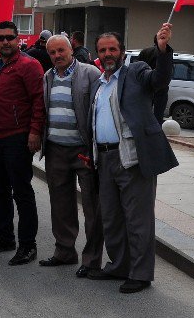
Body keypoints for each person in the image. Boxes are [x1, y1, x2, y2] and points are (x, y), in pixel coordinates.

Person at [84, 25, 178, 294]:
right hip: (104, 159)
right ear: (97, 55)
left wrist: (162, 49)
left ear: (122, 52)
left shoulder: (135, 72)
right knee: (111, 219)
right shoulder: (99, 84)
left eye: (112, 49)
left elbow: (159, 80)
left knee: (138, 220)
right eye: (102, 50)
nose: (108, 54)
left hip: (132, 158)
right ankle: (119, 266)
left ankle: (140, 273)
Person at [0, 21, 46, 265]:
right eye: (1, 38)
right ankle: (5, 237)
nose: (5, 42)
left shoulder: (29, 65)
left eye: (9, 38)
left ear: (18, 39)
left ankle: (28, 244)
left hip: (17, 137)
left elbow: (38, 101)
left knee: (21, 192)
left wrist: (35, 132)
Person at [38, 35, 103, 278]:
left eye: (61, 50)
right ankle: (64, 251)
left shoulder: (90, 74)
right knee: (61, 205)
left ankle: (92, 259)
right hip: (56, 150)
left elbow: (99, 109)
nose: (57, 55)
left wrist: (94, 146)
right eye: (52, 52)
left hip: (83, 150)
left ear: (70, 50)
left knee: (91, 207)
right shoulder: (47, 76)